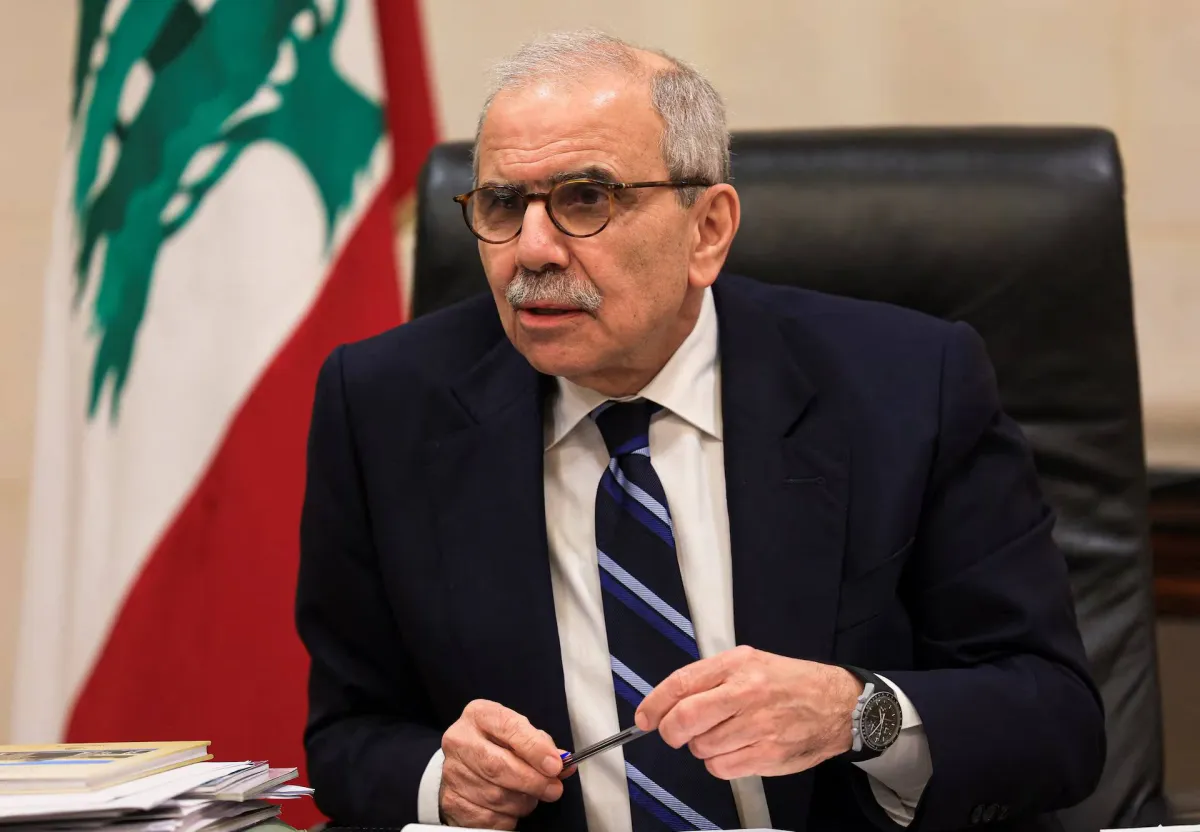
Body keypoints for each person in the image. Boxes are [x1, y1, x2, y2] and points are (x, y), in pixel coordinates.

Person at [296, 30, 1104, 832]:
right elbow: (349, 733)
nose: (531, 251)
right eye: (503, 205)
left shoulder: (907, 387)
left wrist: (855, 713)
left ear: (708, 229)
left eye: (586, 199)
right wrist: (444, 779)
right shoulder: (384, 405)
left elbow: (1055, 721)